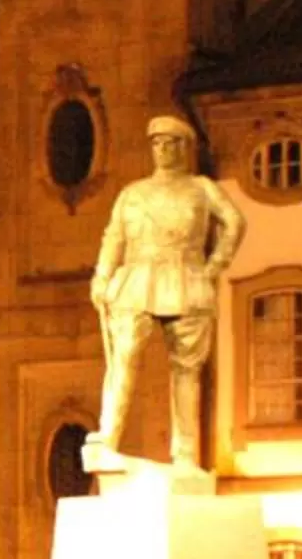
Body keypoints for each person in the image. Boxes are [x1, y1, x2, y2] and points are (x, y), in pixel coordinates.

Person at [84, 114, 244, 476]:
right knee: (122, 361)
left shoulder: (201, 188)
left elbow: (234, 222)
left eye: (171, 143)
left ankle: (185, 453)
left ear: (184, 148)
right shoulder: (133, 193)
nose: (163, 149)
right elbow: (114, 238)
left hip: (185, 277)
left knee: (186, 369)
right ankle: (108, 438)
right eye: (157, 143)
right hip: (138, 277)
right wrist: (101, 276)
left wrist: (214, 266)